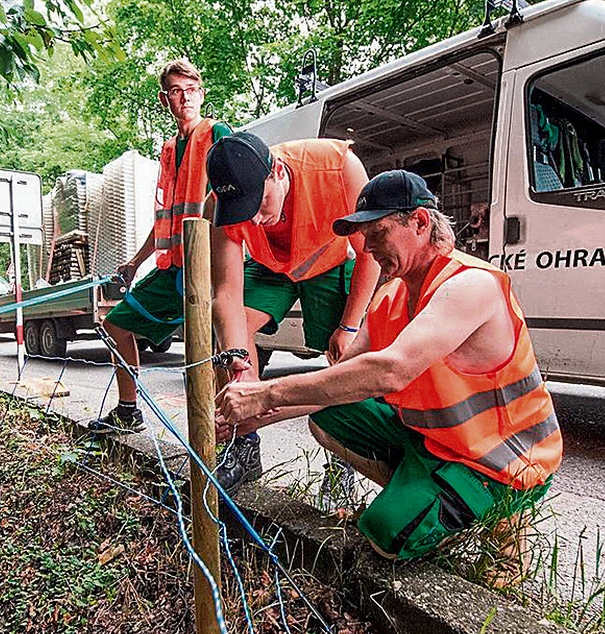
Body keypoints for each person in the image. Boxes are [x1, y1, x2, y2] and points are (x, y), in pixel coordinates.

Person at [217, 169, 562, 567]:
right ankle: (424, 498)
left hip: (501, 460)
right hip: (441, 444)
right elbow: (340, 378)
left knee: (385, 535)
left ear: (419, 222)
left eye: (377, 232)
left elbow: (390, 371)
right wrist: (249, 418)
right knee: (330, 411)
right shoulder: (392, 294)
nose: (367, 247)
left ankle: (495, 516)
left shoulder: (471, 285)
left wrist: (266, 392)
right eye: (362, 235)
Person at [205, 132, 381, 494]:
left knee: (345, 354)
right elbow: (225, 292)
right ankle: (244, 446)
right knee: (226, 339)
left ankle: (342, 454)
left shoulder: (337, 165)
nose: (253, 219)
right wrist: (238, 362)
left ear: (278, 172)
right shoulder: (222, 202)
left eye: (260, 202)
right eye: (243, 211)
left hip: (328, 259)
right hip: (271, 266)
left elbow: (370, 254)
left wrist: (349, 325)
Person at [92, 60, 232, 434]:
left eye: (191, 90)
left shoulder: (217, 132)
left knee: (219, 350)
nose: (184, 98)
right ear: (164, 98)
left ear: (201, 94)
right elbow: (165, 219)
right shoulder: (169, 150)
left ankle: (233, 435)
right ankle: (128, 411)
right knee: (115, 324)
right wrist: (137, 262)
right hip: (172, 267)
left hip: (208, 265)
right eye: (176, 91)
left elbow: (233, 191)